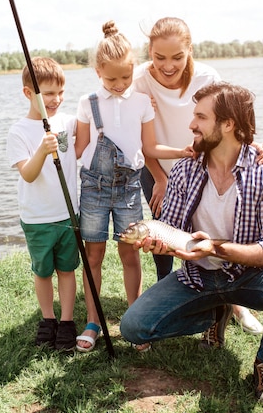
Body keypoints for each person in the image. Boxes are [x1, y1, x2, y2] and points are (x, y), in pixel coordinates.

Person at [119, 82, 263, 406]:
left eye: (200, 117)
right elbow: (175, 229)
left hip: (248, 277)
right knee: (133, 327)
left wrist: (217, 249)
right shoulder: (185, 169)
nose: (191, 124)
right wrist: (159, 243)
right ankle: (213, 315)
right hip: (197, 277)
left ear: (228, 124)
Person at [133, 16, 263, 335]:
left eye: (177, 57)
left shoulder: (208, 76)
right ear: (149, 52)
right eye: (159, 57)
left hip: (202, 167)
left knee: (213, 234)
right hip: (157, 169)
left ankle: (235, 304)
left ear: (190, 50)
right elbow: (139, 138)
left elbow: (228, 124)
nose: (168, 66)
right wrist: (161, 179)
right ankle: (164, 300)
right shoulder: (139, 80)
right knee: (163, 238)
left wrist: (261, 146)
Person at [74, 20, 192, 353]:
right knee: (93, 255)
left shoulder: (141, 102)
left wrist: (181, 151)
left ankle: (134, 318)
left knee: (130, 253)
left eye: (126, 77)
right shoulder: (88, 103)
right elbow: (80, 148)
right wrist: (59, 141)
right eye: (111, 78)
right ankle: (93, 321)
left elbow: (151, 147)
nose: (119, 84)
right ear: (98, 71)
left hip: (127, 191)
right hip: (94, 190)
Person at [6, 57, 79, 351]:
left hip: (67, 214)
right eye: (48, 94)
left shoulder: (69, 122)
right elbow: (28, 173)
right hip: (37, 218)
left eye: (60, 92)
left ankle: (67, 321)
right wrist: (42, 149)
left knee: (67, 269)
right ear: (28, 93)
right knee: (42, 271)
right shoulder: (18, 131)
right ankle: (47, 318)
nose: (56, 99)